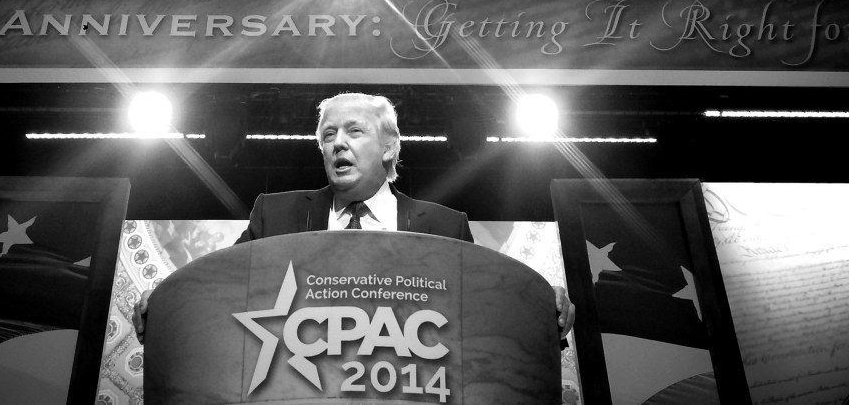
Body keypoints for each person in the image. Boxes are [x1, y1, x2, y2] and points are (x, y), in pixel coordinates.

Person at [133, 92, 575, 343]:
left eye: (354, 131)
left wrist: (538, 305)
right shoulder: (276, 214)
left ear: (389, 147)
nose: (337, 144)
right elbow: (221, 287)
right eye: (328, 135)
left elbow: (482, 312)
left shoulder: (444, 226)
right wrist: (168, 301)